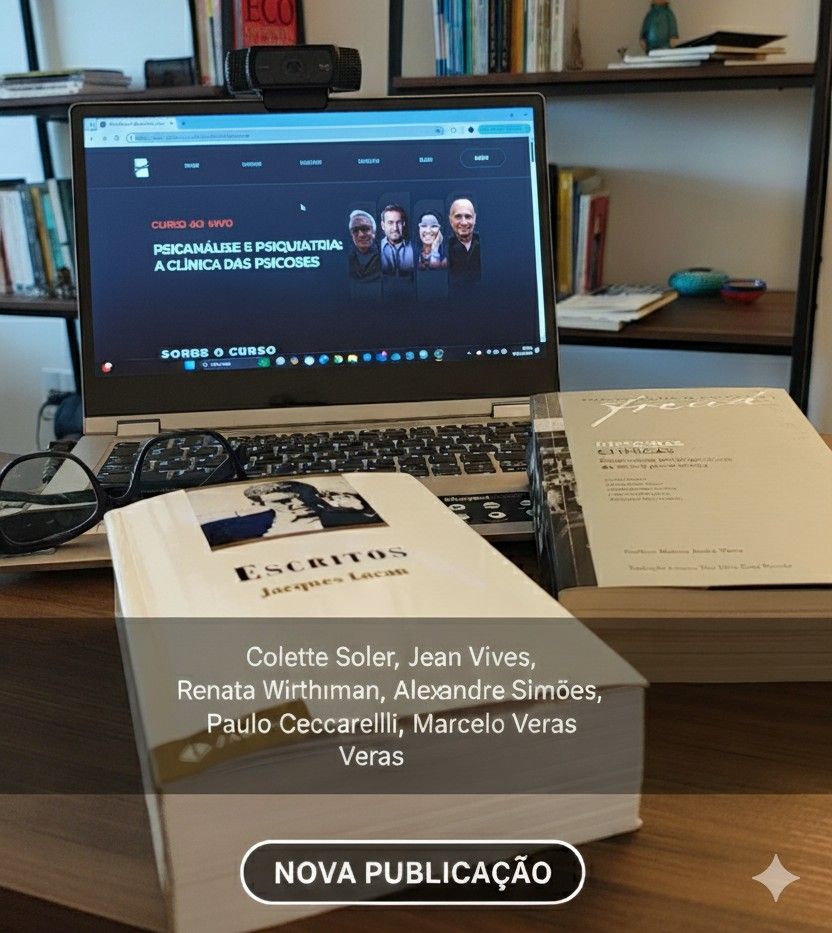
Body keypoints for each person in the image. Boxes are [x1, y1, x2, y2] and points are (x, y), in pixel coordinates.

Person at [200, 480, 380, 547]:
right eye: (283, 502)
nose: (297, 504)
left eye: (304, 499)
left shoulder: (343, 521)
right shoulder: (227, 529)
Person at [447, 197, 481, 283]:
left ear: (475, 218)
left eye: (468, 217)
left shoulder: (486, 245)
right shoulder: (444, 248)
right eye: (458, 217)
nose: (464, 222)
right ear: (450, 220)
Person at [379, 204, 415, 278]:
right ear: (383, 225)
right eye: (390, 223)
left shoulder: (415, 249)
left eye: (398, 222)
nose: (395, 228)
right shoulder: (374, 249)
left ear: (403, 224)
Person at [347, 209, 381, 281]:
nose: (361, 235)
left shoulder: (388, 256)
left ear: (374, 232)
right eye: (355, 230)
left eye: (365, 229)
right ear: (351, 235)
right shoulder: (346, 259)